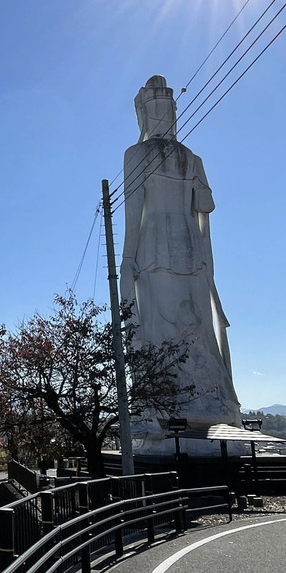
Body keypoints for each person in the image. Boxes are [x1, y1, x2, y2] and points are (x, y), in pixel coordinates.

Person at [121, 75, 240, 440]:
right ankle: (197, 403)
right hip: (186, 249)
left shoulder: (140, 155)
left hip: (158, 247)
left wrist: (126, 261)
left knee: (167, 332)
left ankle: (175, 404)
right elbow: (205, 205)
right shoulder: (189, 158)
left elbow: (133, 215)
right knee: (188, 330)